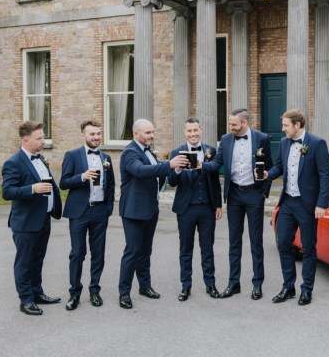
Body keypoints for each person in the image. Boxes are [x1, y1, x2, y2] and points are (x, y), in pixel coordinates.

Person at [117, 118, 189, 309]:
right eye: (148, 133)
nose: (152, 136)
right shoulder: (130, 153)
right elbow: (141, 171)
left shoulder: (147, 152)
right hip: (133, 211)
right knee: (132, 251)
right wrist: (169, 164)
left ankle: (144, 286)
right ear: (136, 134)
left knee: (145, 251)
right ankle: (124, 293)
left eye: (153, 132)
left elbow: (159, 172)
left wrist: (177, 168)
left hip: (150, 209)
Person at [202, 108, 272, 300]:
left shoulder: (262, 139)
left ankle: (257, 284)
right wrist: (201, 165)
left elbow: (270, 166)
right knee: (234, 241)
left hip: (254, 194)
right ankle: (234, 283)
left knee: (256, 242)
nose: (230, 127)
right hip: (234, 195)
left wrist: (264, 192)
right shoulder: (225, 139)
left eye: (233, 124)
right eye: (229, 123)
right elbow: (216, 164)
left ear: (244, 123)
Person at [263, 109, 329, 306]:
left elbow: (325, 175)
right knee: (283, 243)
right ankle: (288, 287)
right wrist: (268, 174)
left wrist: (321, 204)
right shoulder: (284, 143)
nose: (282, 129)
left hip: (308, 205)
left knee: (309, 248)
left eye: (285, 125)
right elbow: (279, 167)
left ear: (297, 125)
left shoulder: (317, 143)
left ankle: (306, 289)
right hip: (287, 202)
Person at [1, 120, 63, 316]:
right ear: (26, 140)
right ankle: (25, 300)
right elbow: (7, 192)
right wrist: (32, 189)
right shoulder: (13, 162)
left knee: (38, 260)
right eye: (39, 138)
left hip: (43, 218)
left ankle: (37, 293)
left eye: (43, 137)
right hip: (25, 222)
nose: (43, 141)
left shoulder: (40, 158)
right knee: (25, 262)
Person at [59, 120, 115, 310]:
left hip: (100, 211)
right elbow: (63, 182)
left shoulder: (106, 157)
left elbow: (112, 184)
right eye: (92, 134)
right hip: (79, 212)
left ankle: (95, 291)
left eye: (99, 134)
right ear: (83, 135)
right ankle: (74, 293)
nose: (96, 137)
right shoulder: (72, 155)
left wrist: (108, 208)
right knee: (77, 253)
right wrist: (82, 177)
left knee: (98, 253)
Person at [168, 117, 223, 301]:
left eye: (195, 130)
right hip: (186, 209)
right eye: (189, 131)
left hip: (207, 208)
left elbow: (215, 180)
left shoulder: (210, 151)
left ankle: (210, 284)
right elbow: (172, 183)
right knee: (186, 249)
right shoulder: (176, 152)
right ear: (185, 132)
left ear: (201, 130)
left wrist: (217, 204)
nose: (192, 134)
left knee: (207, 248)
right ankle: (186, 287)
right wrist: (176, 168)